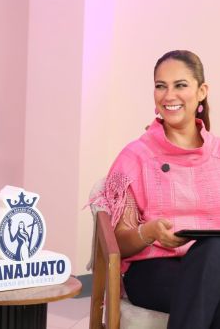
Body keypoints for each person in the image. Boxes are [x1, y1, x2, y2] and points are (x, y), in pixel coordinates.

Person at [90, 50, 220, 329]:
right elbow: (117, 243)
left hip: (214, 267)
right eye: (161, 86)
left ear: (202, 92)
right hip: (154, 271)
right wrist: (148, 232)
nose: (169, 95)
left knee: (213, 250)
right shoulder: (135, 156)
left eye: (180, 85)